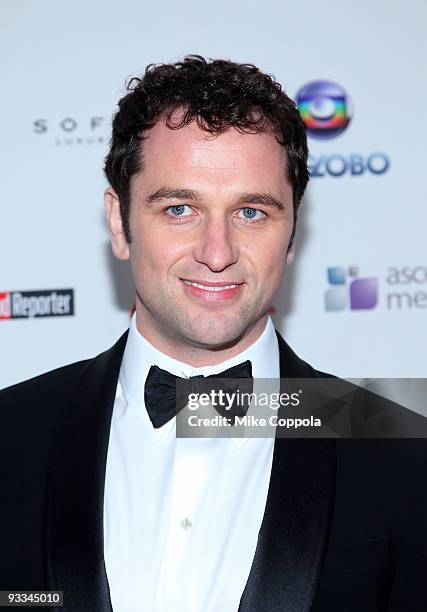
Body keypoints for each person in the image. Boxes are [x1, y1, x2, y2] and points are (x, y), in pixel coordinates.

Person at [0, 56, 426, 612]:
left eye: (251, 212)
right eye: (179, 208)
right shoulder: (10, 438)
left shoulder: (400, 451)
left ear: (293, 229)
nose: (217, 253)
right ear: (119, 221)